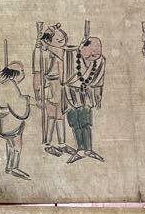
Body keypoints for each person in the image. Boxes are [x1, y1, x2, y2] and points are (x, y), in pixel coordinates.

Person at [62, 35, 105, 163]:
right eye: (90, 54)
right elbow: (63, 79)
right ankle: (80, 149)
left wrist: (98, 95)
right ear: (82, 47)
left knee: (86, 122)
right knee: (75, 123)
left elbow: (98, 81)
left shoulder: (100, 61)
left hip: (86, 94)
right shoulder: (70, 54)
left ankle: (88, 149)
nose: (93, 57)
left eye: (96, 54)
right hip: (69, 93)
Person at [32, 24, 68, 155]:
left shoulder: (60, 51)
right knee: (51, 115)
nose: (62, 42)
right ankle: (47, 143)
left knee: (60, 115)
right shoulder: (42, 53)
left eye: (63, 40)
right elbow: (37, 74)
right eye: (58, 40)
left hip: (60, 86)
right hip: (50, 86)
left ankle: (62, 143)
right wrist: (37, 94)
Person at [0, 62, 30, 179]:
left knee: (10, 144)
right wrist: (26, 100)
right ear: (15, 73)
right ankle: (14, 167)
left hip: (3, 120)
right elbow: (17, 105)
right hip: (12, 121)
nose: (23, 74)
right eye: (22, 71)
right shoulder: (10, 85)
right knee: (17, 145)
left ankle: (9, 167)